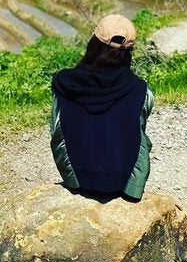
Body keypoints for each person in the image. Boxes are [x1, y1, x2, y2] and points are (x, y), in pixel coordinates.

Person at [50, 14, 155, 201]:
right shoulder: (142, 90)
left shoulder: (63, 83)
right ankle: (132, 186)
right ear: (129, 51)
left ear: (93, 43)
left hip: (77, 181)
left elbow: (56, 132)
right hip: (123, 185)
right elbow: (138, 135)